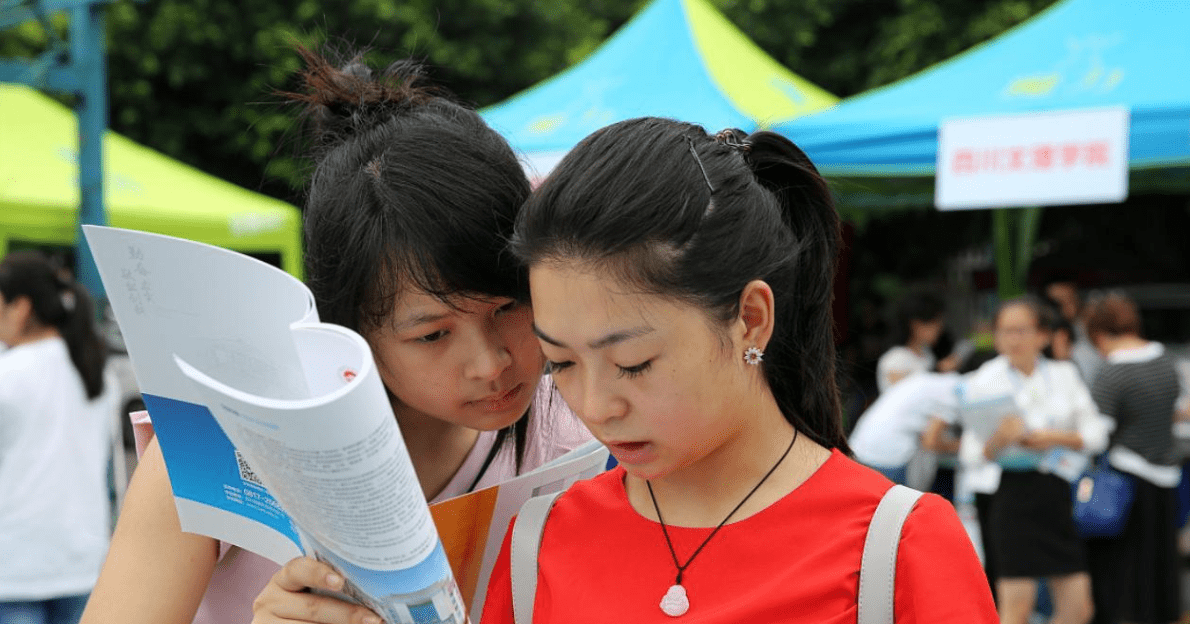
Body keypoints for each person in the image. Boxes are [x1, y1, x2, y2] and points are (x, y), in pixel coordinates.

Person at [78, 47, 589, 624]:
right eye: (432, 334)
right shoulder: (216, 445)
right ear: (351, 330)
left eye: (506, 306)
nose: (489, 362)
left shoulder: (587, 432)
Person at [478, 119, 997, 622]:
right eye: (561, 363)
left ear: (750, 319)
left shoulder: (898, 547)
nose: (595, 407)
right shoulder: (540, 542)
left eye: (633, 365)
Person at [957, 296, 1108, 624]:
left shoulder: (1064, 373)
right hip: (1011, 496)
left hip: (1057, 489)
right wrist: (1000, 439)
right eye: (1005, 331)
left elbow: (1096, 433)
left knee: (1079, 607)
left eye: (1021, 330)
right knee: (1016, 610)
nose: (1013, 339)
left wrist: (1054, 438)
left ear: (1043, 335)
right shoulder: (985, 379)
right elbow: (970, 454)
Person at [0, 251, 118, 624]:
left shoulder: (10, 374)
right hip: (83, 555)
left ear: (20, 307)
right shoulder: (97, 373)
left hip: (16, 562)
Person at [1083, 292, 1183, 624]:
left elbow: (1098, 433)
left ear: (1098, 333)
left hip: (1125, 478)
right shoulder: (1166, 360)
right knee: (1161, 560)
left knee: (1125, 566)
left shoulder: (1113, 372)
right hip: (1167, 473)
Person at [876, 291, 959, 393]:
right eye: (935, 323)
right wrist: (939, 371)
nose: (939, 328)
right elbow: (903, 395)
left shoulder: (926, 354)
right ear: (916, 325)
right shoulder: (895, 359)